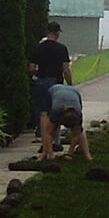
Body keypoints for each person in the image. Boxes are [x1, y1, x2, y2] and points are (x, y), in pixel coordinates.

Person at [29, 23, 72, 152]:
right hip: (56, 84)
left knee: (43, 114)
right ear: (57, 33)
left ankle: (45, 143)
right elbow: (66, 70)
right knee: (56, 112)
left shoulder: (38, 48)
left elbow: (31, 68)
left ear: (47, 32)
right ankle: (56, 141)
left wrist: (39, 74)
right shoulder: (62, 48)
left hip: (41, 82)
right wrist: (70, 84)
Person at [43, 83, 91, 160]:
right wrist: (52, 156)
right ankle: (46, 153)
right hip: (54, 90)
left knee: (78, 131)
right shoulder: (56, 109)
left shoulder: (78, 112)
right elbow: (48, 134)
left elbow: (77, 134)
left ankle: (88, 156)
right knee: (50, 128)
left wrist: (70, 154)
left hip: (74, 92)